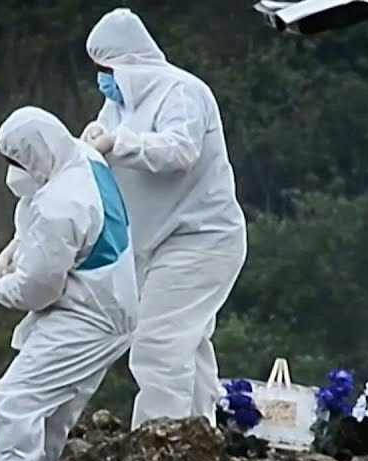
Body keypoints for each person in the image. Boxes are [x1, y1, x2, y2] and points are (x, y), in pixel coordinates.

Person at [0, 106, 139, 461]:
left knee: (16, 400)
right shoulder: (83, 158)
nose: (12, 173)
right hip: (110, 304)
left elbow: (40, 288)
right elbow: (50, 234)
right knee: (52, 411)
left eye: (17, 162)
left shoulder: (60, 204)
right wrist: (18, 245)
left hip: (88, 315)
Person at [80, 7, 248, 430]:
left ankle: (159, 450)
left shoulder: (182, 92)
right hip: (157, 243)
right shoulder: (116, 107)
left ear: (127, 64)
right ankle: (198, 439)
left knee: (158, 345)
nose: (102, 80)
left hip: (200, 239)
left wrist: (118, 143)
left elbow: (179, 150)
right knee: (187, 348)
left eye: (105, 69)